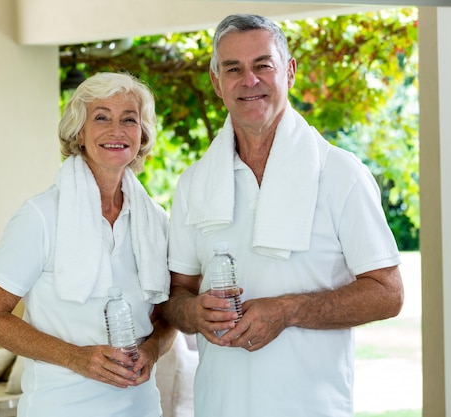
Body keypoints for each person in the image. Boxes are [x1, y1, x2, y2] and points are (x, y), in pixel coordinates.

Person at [163, 14, 404, 417]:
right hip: (219, 406)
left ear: (289, 71)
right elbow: (175, 295)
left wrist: (290, 310)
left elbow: (388, 293)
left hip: (313, 406)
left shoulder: (342, 174)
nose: (249, 80)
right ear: (215, 81)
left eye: (263, 65)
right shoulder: (193, 184)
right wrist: (189, 311)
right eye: (233, 69)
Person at [0, 72, 176, 417]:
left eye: (129, 119)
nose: (117, 131)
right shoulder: (39, 216)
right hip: (59, 407)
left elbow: (164, 316)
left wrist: (153, 349)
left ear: (142, 136)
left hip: (140, 408)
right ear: (78, 133)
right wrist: (76, 358)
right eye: (101, 118)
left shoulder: (154, 220)